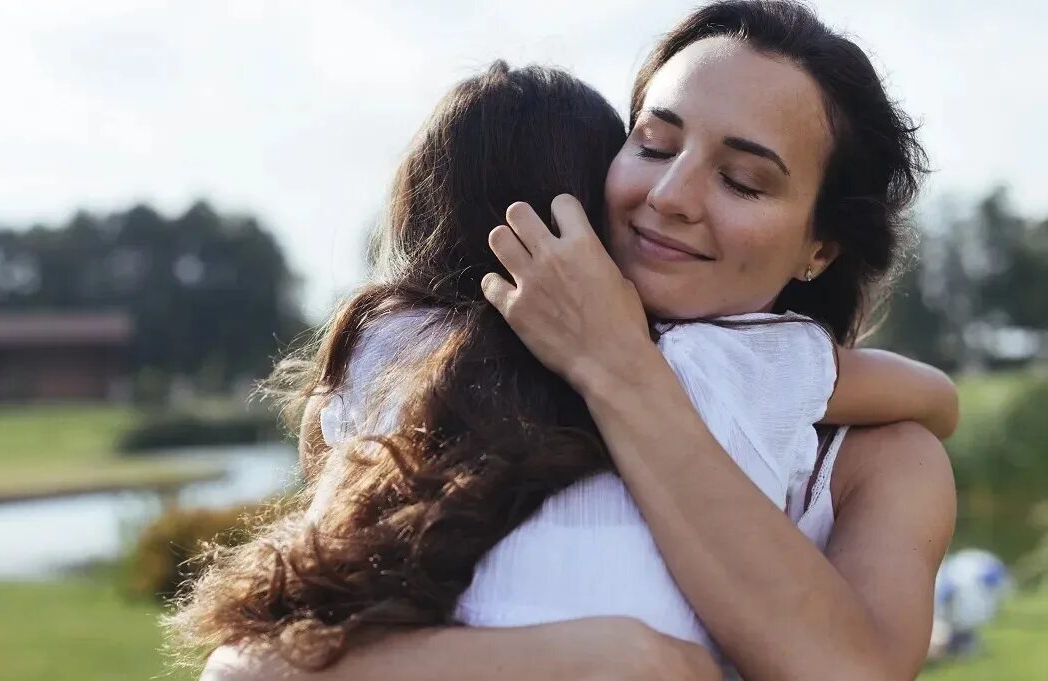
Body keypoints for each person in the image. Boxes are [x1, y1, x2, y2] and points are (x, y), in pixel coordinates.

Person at [189, 2, 958, 679]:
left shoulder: (877, 458)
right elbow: (249, 666)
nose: (668, 196)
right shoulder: (459, 377)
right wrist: (611, 661)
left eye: (742, 182)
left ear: (819, 246)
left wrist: (616, 363)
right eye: (653, 145)